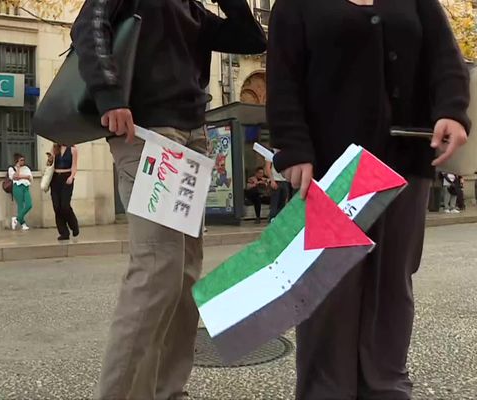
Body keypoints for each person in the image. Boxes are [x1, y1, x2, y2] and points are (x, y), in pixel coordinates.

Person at [267, 1, 470, 399]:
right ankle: (325, 390)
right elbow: (283, 79)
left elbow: (446, 59)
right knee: (328, 291)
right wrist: (293, 146)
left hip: (403, 164)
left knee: (392, 286)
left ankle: (385, 388)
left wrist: (452, 110)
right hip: (331, 170)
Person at [71, 0, 266, 398]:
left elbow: (249, 38)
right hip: (148, 136)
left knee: (183, 276)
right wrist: (110, 96)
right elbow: (88, 28)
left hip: (190, 142)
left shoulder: (192, 8)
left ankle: (167, 390)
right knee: (158, 268)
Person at [51, 143, 80, 241]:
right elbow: (50, 165)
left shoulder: (73, 149)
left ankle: (74, 225)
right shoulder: (55, 148)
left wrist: (71, 177)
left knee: (65, 205)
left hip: (66, 177)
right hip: (55, 179)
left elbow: (74, 166)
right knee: (56, 206)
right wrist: (50, 158)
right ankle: (63, 232)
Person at [9, 153, 33, 231]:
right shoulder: (12, 168)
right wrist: (18, 169)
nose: (23, 161)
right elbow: (14, 177)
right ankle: (23, 224)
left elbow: (29, 177)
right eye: (21, 160)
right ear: (17, 161)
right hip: (17, 187)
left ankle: (16, 219)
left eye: (23, 160)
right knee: (20, 206)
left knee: (29, 205)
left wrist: (21, 177)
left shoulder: (26, 168)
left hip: (26, 187)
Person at [265, 151, 290, 223]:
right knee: (274, 203)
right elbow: (267, 168)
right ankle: (271, 219)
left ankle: (279, 221)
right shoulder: (270, 152)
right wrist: (272, 180)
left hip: (284, 180)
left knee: (282, 202)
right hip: (275, 180)